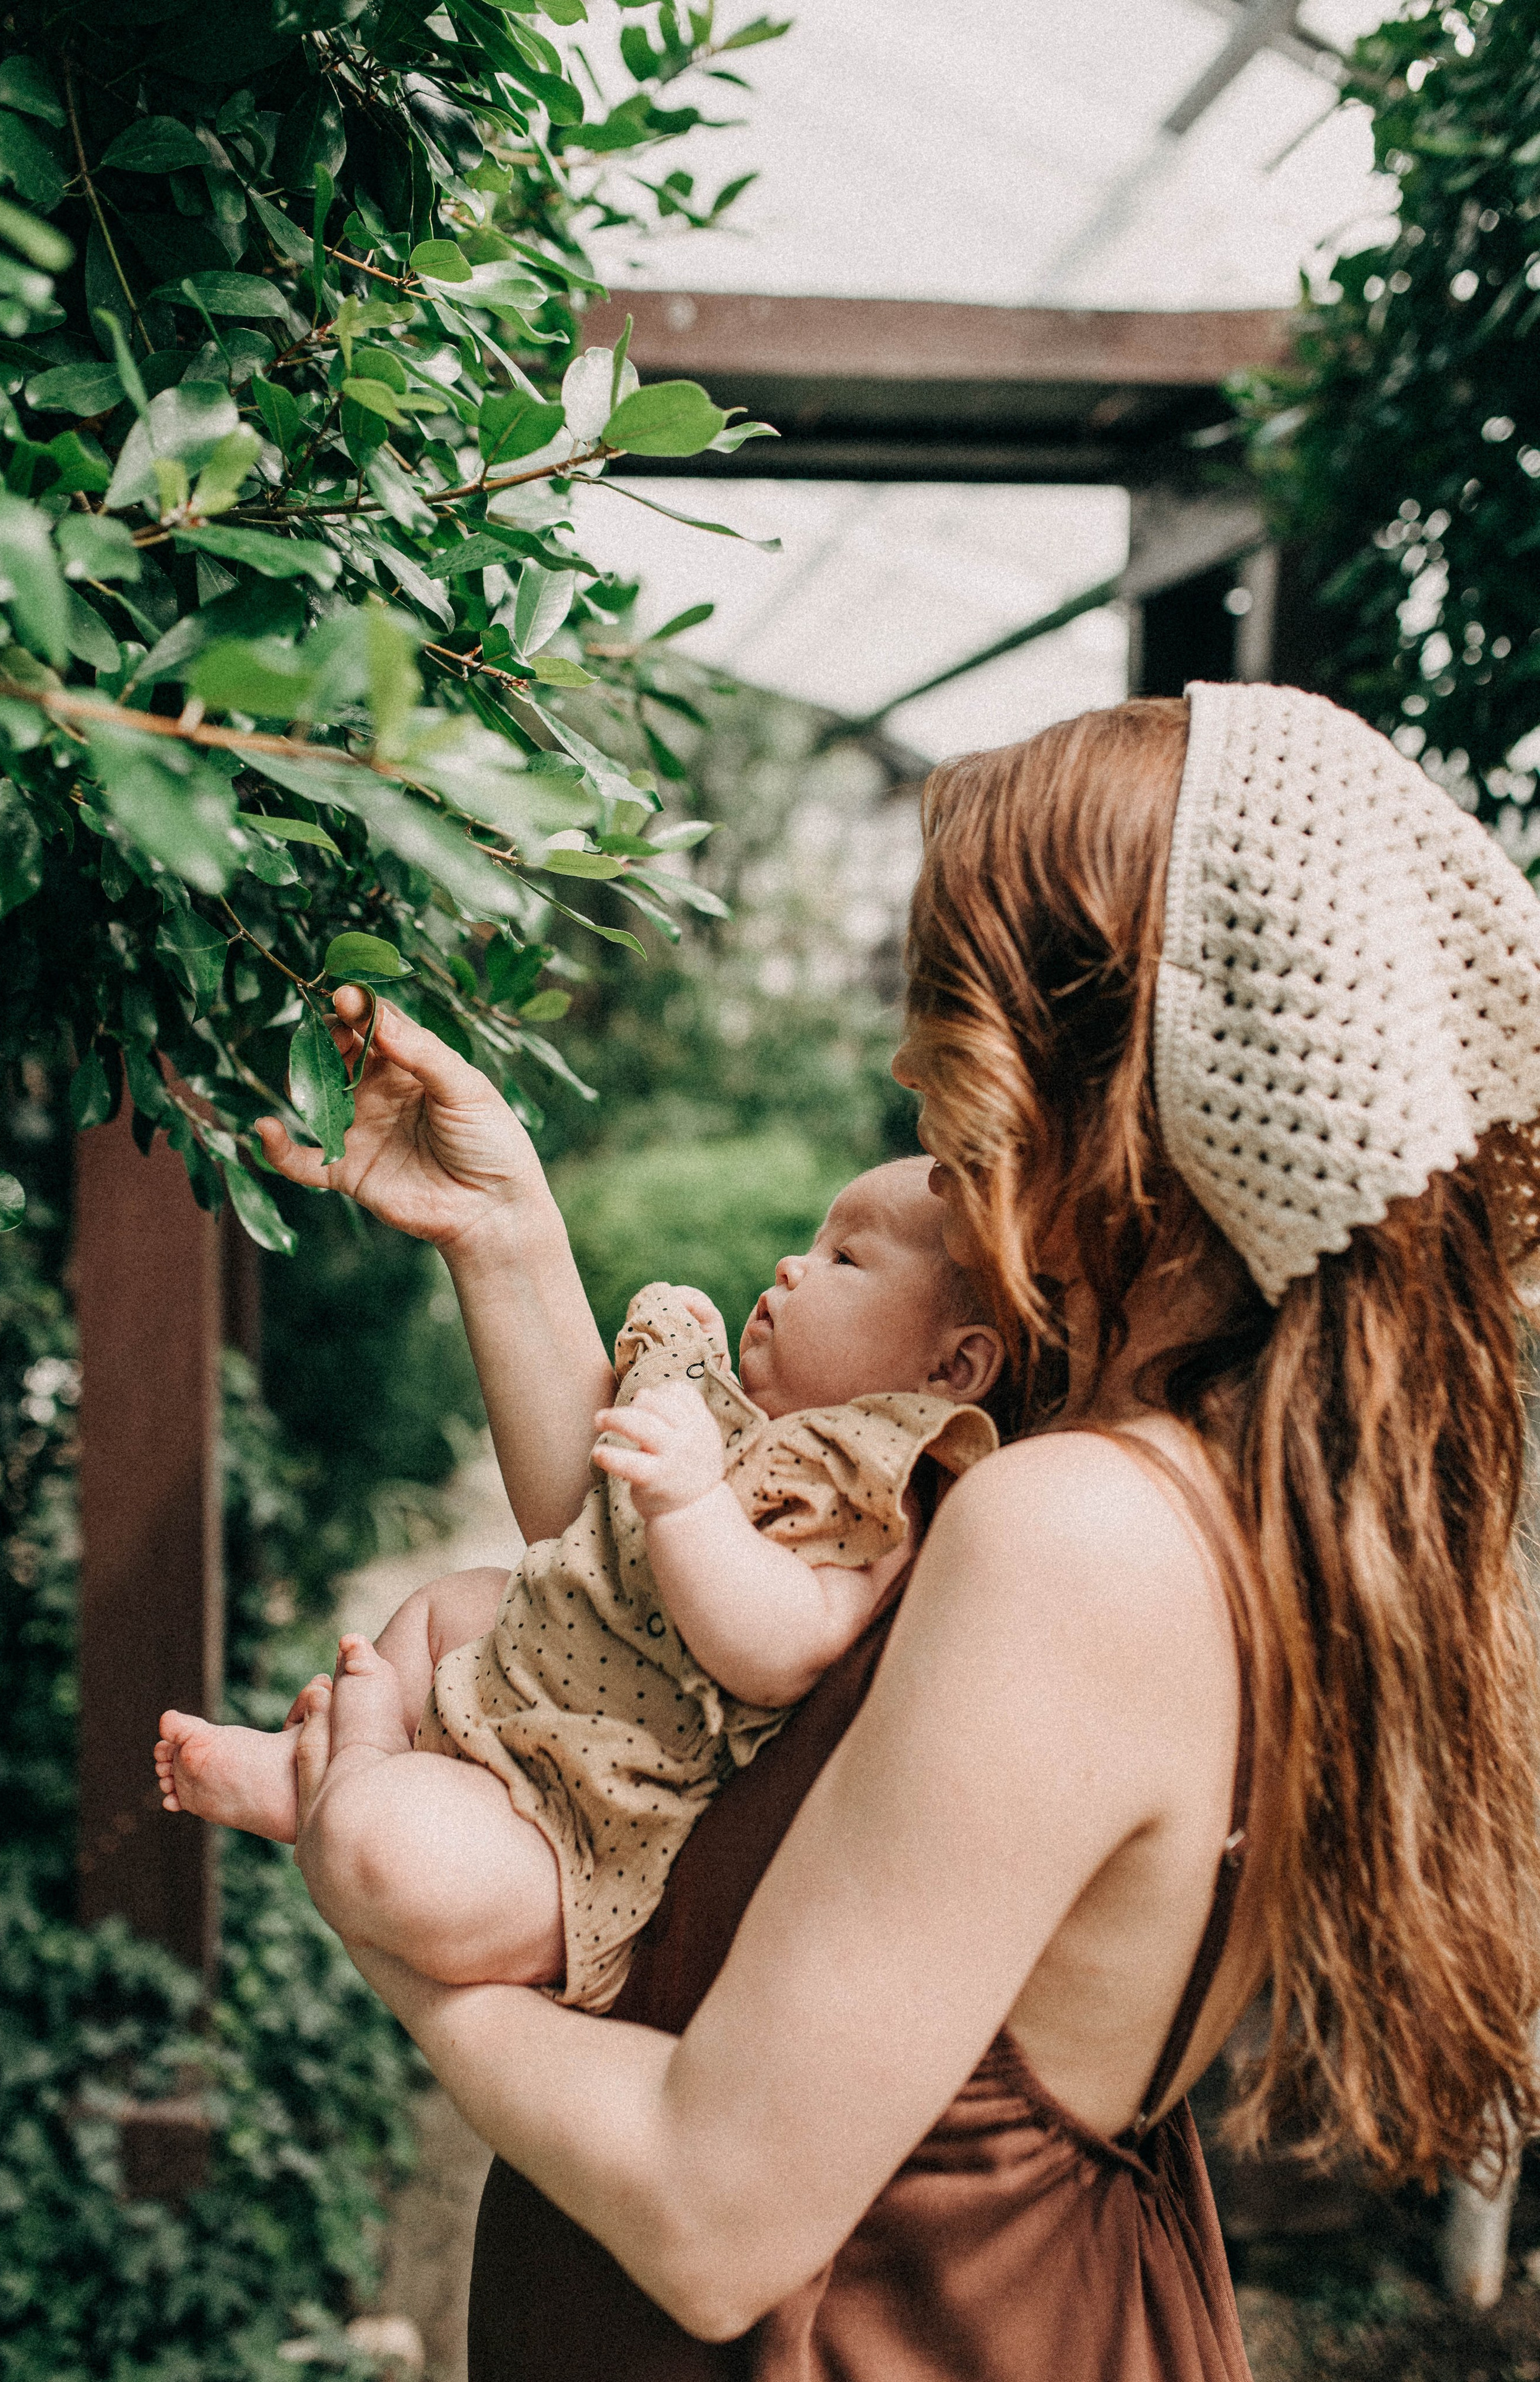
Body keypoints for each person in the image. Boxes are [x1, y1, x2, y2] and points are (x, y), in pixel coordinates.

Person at [267, 684, 1540, 2379]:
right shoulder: (1130, 1458)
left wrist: (380, 1898)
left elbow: (710, 2211)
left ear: (1103, 1080)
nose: (906, 1064)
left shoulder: (1075, 1533)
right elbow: (660, 1610)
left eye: (956, 1002)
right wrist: (505, 1232)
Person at [154, 1162, 1003, 2010]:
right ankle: (327, 1769)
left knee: (382, 1854)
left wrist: (692, 1501)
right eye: (813, 1244)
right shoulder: (744, 1425)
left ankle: (356, 1762)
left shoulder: (872, 1492)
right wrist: (689, 1367)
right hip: (531, 1684)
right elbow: (592, 1512)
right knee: (452, 1605)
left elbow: (784, 1650)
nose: (792, 1267)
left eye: (845, 1259)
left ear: (952, 1367)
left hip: (583, 1823)